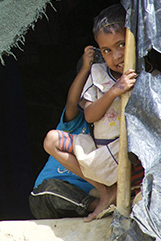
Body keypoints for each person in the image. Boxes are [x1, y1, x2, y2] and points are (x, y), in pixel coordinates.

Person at [44, 4, 138, 222]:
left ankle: (122, 193)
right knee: (51, 140)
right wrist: (114, 91)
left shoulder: (143, 70)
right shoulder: (98, 73)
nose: (116, 55)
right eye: (106, 51)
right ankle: (106, 192)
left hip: (129, 155)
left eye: (122, 45)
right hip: (102, 154)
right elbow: (89, 115)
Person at [29, 46, 99, 219]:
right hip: (50, 198)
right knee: (47, 191)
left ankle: (99, 201)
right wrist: (85, 69)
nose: (92, 96)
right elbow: (72, 101)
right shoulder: (75, 120)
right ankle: (98, 204)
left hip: (91, 192)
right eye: (88, 89)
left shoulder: (113, 126)